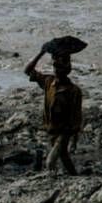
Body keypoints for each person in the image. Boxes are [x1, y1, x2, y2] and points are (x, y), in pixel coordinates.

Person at [24, 47, 84, 175]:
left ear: (67, 71)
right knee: (63, 156)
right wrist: (40, 53)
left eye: (60, 69)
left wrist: (74, 140)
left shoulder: (74, 91)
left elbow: (77, 117)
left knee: (50, 161)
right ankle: (74, 176)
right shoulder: (48, 82)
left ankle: (55, 181)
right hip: (52, 128)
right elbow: (28, 70)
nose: (57, 72)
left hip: (65, 131)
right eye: (56, 68)